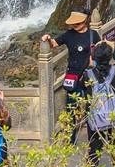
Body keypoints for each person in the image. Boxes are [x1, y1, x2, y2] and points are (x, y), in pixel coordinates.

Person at [43, 10, 101, 144]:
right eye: (73, 23)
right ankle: (70, 140)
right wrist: (48, 38)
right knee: (71, 109)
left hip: (89, 76)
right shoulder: (69, 34)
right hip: (73, 77)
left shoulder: (93, 34)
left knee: (91, 107)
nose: (75, 25)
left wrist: (96, 64)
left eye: (78, 23)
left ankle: (93, 139)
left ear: (85, 20)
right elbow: (54, 44)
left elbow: (101, 51)